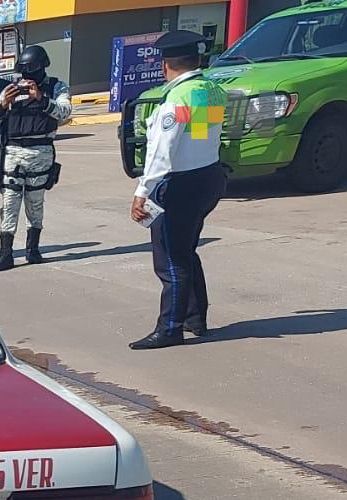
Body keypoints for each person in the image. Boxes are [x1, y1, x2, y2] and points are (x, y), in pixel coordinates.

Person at [128, 30, 227, 350]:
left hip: (180, 184)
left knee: (170, 259)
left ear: (165, 64)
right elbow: (199, 137)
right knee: (185, 251)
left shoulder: (175, 99)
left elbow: (162, 152)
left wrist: (143, 191)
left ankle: (169, 328)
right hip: (208, 177)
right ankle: (195, 318)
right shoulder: (208, 90)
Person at [0, 45, 72, 271]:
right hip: (12, 153)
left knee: (35, 204)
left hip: (40, 151)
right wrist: (4, 104)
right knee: (10, 203)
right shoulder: (11, 89)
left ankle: (33, 249)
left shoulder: (56, 87)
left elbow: (65, 113)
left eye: (30, 72)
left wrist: (42, 99)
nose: (26, 78)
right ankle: (6, 254)